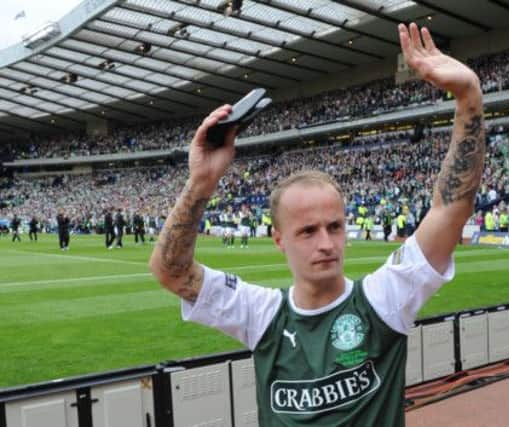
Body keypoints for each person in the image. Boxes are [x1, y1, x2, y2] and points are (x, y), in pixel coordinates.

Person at [149, 22, 485, 426]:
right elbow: (171, 271)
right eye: (307, 231)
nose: (326, 243)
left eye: (335, 226)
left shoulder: (382, 301)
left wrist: (468, 96)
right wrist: (201, 183)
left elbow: (450, 209)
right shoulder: (262, 315)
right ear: (279, 240)